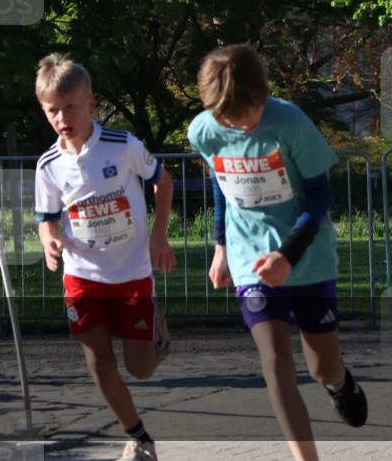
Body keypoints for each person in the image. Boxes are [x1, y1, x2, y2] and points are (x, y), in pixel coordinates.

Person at [187, 43, 368, 461]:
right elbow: (220, 185)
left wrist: (288, 255)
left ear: (262, 96)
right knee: (274, 362)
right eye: (228, 117)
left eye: (247, 113)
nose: (240, 125)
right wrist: (221, 247)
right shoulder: (204, 130)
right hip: (249, 258)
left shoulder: (291, 123)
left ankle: (339, 382)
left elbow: (320, 197)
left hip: (307, 257)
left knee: (321, 366)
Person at [34, 53, 175, 461]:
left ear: (91, 103)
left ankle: (156, 332)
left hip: (132, 272)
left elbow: (162, 183)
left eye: (70, 107)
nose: (62, 117)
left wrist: (159, 236)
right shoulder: (48, 165)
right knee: (98, 362)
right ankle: (140, 438)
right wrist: (49, 240)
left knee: (141, 368)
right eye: (52, 111)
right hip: (83, 275)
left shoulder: (123, 146)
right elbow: (46, 216)